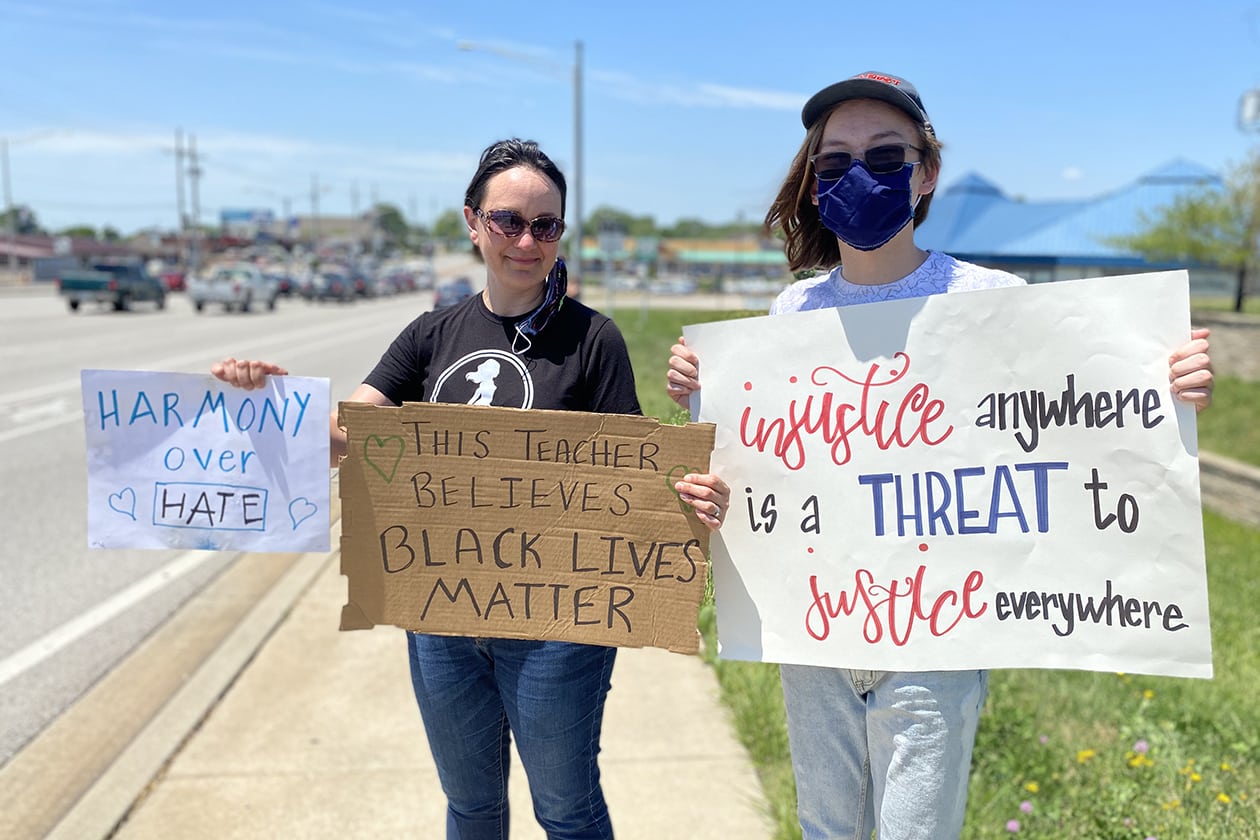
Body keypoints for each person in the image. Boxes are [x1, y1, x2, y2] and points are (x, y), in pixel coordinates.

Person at [666, 72, 1214, 840]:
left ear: (926, 173)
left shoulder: (991, 299)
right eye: (835, 163)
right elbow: (761, 472)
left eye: (886, 157)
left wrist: (1169, 386)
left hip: (935, 640)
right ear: (816, 185)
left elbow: (1089, 417)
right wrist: (705, 401)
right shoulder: (792, 314)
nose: (859, 176)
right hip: (814, 630)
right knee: (826, 828)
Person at [213, 137, 728, 840]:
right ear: (471, 221)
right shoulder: (430, 334)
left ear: (560, 234)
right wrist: (268, 402)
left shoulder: (592, 341)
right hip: (441, 620)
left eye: (545, 225)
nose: (526, 239)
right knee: (472, 808)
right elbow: (347, 436)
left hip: (559, 629)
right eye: (507, 220)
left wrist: (688, 495)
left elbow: (631, 473)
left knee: (567, 810)